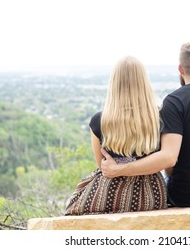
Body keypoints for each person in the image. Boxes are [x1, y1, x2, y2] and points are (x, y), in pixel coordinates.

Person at [101, 42, 190, 207]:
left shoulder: (175, 101)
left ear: (180, 69)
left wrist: (118, 170)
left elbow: (169, 158)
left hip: (185, 195)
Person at [64, 56, 167, 215]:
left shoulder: (99, 121)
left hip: (110, 193)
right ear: (144, 83)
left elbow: (102, 166)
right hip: (151, 195)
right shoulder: (159, 118)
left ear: (114, 83)